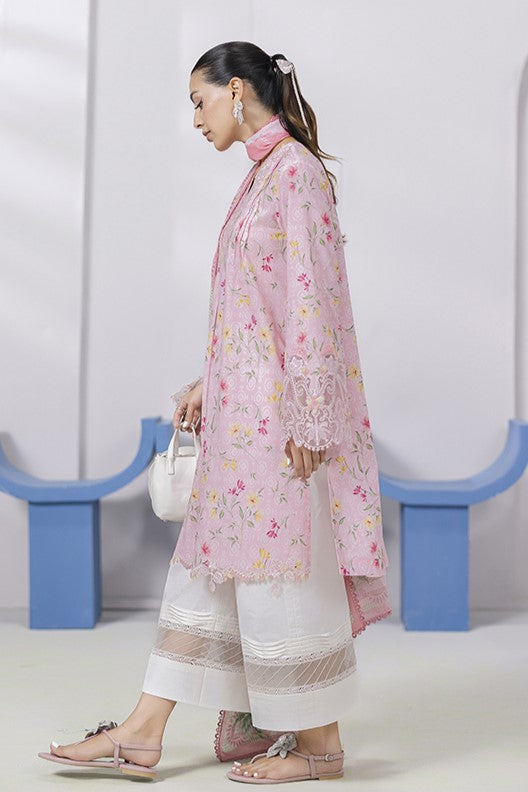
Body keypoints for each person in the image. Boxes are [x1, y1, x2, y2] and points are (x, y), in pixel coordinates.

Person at [38, 41, 392, 784]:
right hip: (244, 419)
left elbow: (313, 304)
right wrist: (213, 377)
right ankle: (143, 731)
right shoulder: (261, 177)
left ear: (236, 90)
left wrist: (310, 417)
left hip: (283, 426)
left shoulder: (295, 174)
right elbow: (257, 306)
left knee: (278, 576)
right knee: (211, 570)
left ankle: (320, 748)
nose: (196, 119)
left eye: (199, 101)